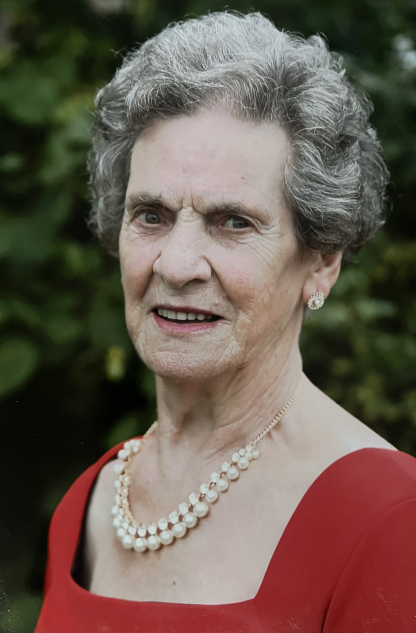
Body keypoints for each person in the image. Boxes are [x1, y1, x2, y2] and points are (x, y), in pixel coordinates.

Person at [35, 11, 416, 633]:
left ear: (321, 262)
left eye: (233, 222)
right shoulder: (91, 504)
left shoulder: (392, 520)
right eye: (151, 215)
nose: (177, 264)